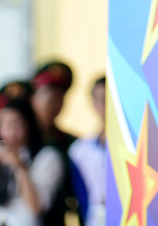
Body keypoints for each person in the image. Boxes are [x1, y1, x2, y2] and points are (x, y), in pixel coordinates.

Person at [0, 90, 64, 226]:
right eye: (4, 124)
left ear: (29, 125)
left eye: (16, 124)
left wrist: (19, 167)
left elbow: (37, 207)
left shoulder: (46, 157)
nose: (10, 132)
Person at [28, 61, 77, 226]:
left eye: (59, 96)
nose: (53, 102)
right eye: (48, 94)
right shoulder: (20, 142)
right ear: (33, 97)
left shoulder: (72, 144)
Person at [66, 77, 108, 226]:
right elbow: (81, 197)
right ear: (94, 104)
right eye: (102, 100)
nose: (107, 106)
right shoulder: (79, 151)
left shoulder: (137, 146)